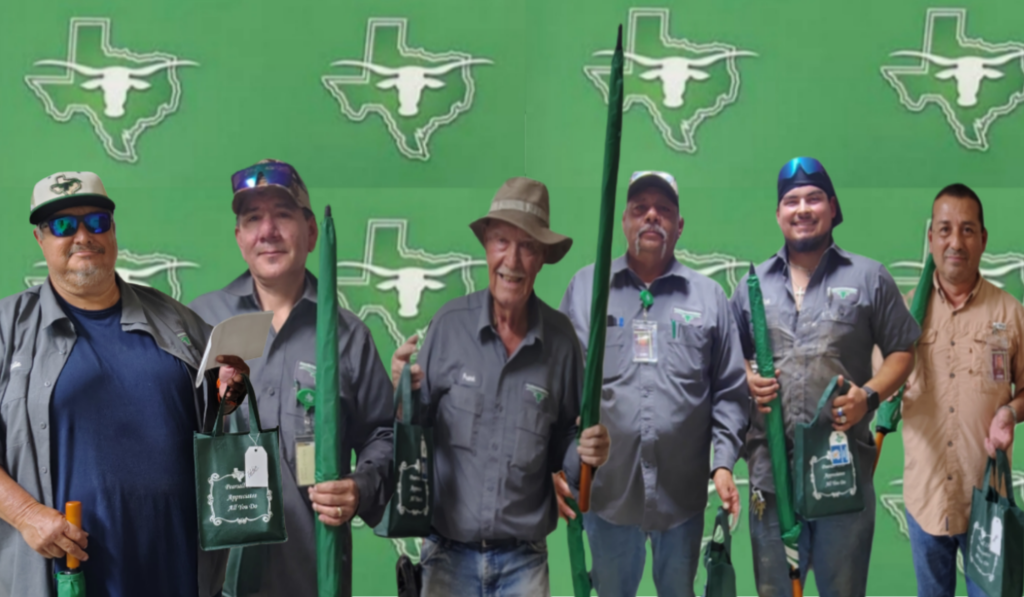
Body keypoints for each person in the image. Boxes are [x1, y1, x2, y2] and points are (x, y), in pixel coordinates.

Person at [0, 171, 249, 597]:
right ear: (40, 239)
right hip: (67, 572)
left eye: (97, 222)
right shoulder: (8, 330)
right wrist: (25, 515)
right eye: (63, 225)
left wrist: (230, 391)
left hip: (176, 568)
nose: (83, 236)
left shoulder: (177, 321)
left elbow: (220, 408)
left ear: (113, 231)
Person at [390, 177, 610, 597]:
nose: (512, 259)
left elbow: (565, 440)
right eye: (502, 242)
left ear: (542, 258)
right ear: (487, 246)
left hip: (523, 561)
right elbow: (414, 433)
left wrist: (587, 453)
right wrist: (403, 398)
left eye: (527, 246)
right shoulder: (448, 326)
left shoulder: (562, 341)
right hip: (446, 554)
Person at [189, 159, 394, 597]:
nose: (268, 231)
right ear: (239, 237)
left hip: (310, 575)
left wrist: (359, 487)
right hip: (217, 578)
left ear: (311, 231)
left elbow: (383, 433)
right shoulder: (201, 322)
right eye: (253, 218)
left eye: (282, 214)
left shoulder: (346, 335)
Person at [730, 157, 920, 597]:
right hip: (772, 477)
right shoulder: (752, 285)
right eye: (791, 201)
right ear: (778, 213)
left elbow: (902, 352)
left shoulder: (869, 277)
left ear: (833, 208)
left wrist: (867, 397)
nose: (802, 209)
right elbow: (729, 357)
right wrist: (746, 375)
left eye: (813, 199)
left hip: (842, 474)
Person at [558, 170, 749, 597]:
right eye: (640, 208)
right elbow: (561, 388)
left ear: (679, 225)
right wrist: (562, 462)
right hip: (606, 494)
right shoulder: (587, 289)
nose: (651, 217)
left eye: (663, 210)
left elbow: (730, 392)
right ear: (624, 220)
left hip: (681, 498)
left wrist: (722, 463)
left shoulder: (709, 298)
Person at [900, 184, 1024, 597]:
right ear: (931, 238)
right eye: (945, 229)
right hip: (926, 498)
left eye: (968, 230)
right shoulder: (903, 316)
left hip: (987, 503)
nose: (956, 241)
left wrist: (1010, 412)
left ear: (983, 239)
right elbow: (876, 389)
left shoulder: (1011, 313)